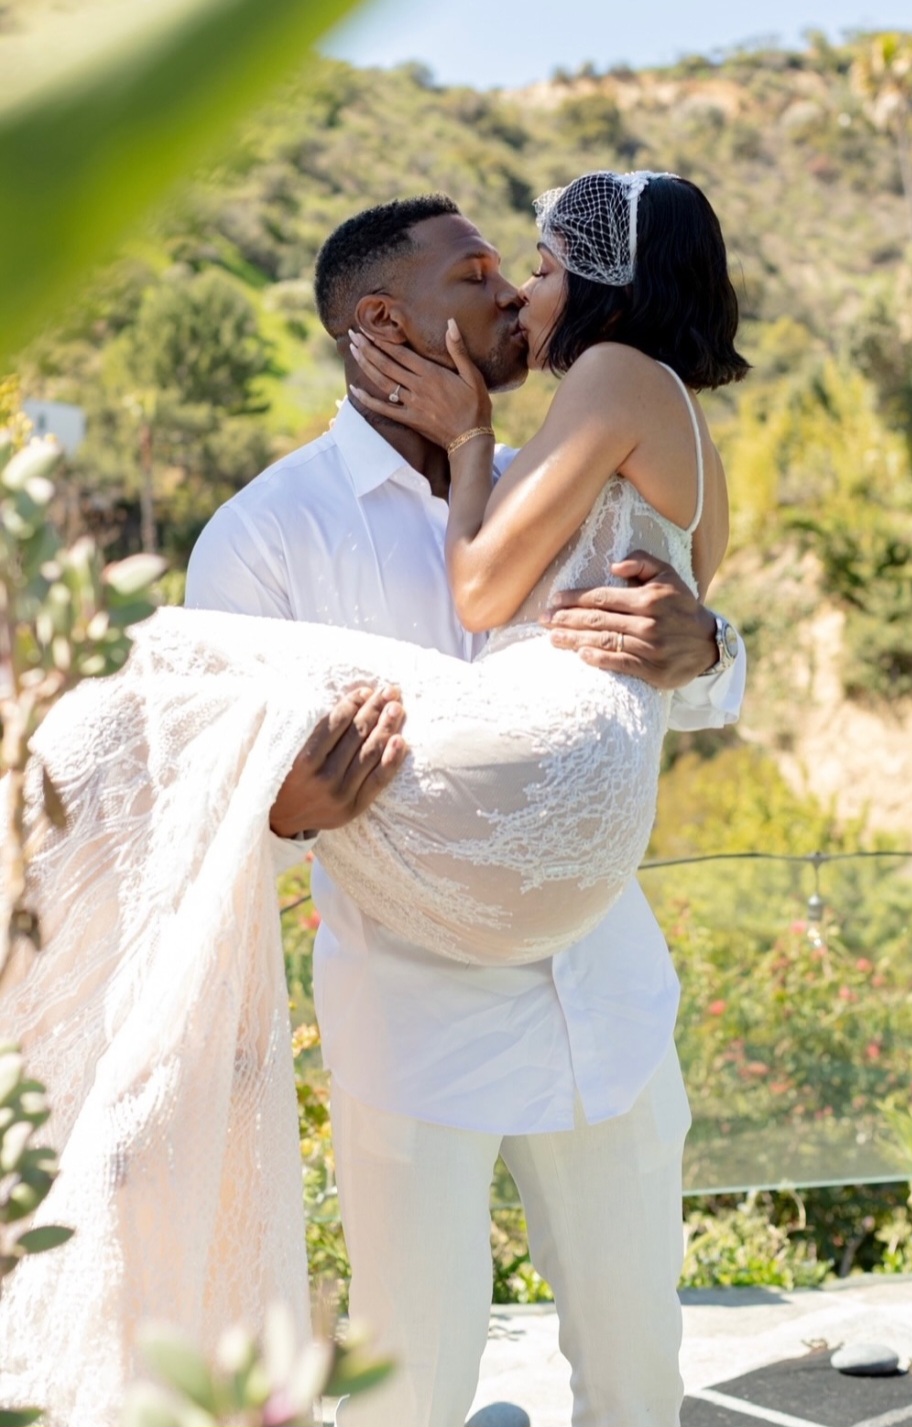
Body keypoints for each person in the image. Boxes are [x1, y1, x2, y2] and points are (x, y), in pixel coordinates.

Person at [185, 175, 746, 1426]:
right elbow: (208, 800)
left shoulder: (571, 447)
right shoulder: (264, 535)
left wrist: (707, 647)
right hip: (413, 1025)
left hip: (603, 1002)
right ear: (380, 327)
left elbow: (655, 679)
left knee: (640, 1375)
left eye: (518, 267)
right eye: (479, 274)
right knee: (415, 1390)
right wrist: (284, 809)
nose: (511, 292)